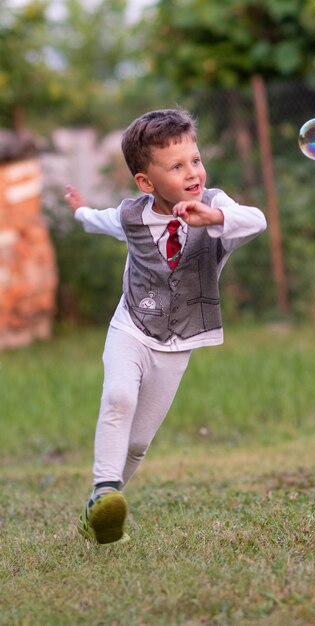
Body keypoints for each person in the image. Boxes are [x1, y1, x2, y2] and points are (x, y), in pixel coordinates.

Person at [64, 108, 267, 544]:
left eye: (195, 159)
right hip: (132, 326)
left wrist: (217, 221)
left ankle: (100, 510)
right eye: (177, 166)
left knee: (138, 444)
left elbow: (258, 221)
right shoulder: (132, 215)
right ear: (146, 182)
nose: (193, 172)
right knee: (118, 397)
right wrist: (80, 211)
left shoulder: (216, 206)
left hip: (181, 340)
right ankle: (104, 490)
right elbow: (100, 219)